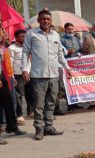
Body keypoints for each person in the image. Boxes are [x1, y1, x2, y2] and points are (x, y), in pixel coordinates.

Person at [21, 9, 72, 140]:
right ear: (38, 20)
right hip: (38, 75)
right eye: (43, 19)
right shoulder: (31, 34)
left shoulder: (55, 35)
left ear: (51, 21)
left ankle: (49, 127)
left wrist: (67, 68)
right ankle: (39, 129)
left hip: (54, 75)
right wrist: (25, 69)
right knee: (38, 104)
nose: (46, 21)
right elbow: (26, 52)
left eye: (48, 19)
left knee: (51, 103)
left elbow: (60, 54)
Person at [0, 40, 27, 145]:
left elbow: (6, 65)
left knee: (10, 103)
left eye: (2, 31)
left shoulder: (3, 48)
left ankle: (12, 127)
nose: (2, 34)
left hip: (5, 78)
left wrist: (10, 76)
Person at [8, 29, 33, 126]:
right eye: (22, 36)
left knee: (30, 93)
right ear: (16, 37)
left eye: (25, 36)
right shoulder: (12, 48)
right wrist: (12, 76)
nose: (24, 38)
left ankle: (30, 111)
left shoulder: (28, 47)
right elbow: (10, 62)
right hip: (18, 74)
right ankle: (19, 115)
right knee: (18, 96)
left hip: (29, 73)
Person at [58, 22, 83, 113]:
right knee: (66, 85)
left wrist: (79, 54)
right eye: (68, 29)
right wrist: (68, 52)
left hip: (76, 66)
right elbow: (60, 52)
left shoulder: (76, 39)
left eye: (72, 29)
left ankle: (75, 102)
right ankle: (69, 104)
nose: (70, 31)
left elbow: (80, 49)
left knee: (75, 84)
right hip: (66, 65)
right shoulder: (61, 40)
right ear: (65, 30)